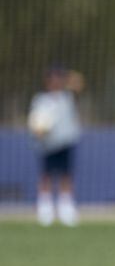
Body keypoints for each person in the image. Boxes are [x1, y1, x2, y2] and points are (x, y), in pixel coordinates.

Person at [28, 67, 84, 227]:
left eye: (58, 79)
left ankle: (66, 208)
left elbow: (78, 83)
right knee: (46, 175)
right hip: (48, 145)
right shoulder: (40, 100)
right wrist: (38, 130)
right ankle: (45, 208)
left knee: (66, 175)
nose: (55, 82)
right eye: (52, 79)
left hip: (65, 142)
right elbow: (36, 122)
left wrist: (66, 78)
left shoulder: (67, 98)